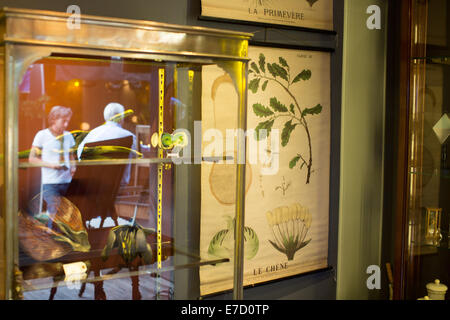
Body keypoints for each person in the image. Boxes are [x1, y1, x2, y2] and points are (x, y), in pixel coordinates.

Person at [29, 106, 76, 228]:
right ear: (54, 119)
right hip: (50, 182)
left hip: (67, 181)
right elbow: (32, 158)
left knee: (67, 214)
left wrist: (73, 167)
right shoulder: (42, 135)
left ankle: (62, 240)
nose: (66, 124)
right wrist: (52, 166)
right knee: (54, 212)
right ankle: (52, 239)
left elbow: (71, 156)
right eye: (63, 121)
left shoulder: (68, 136)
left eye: (68, 121)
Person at [77, 102, 137, 185]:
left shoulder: (92, 134)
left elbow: (80, 155)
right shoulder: (128, 136)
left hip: (91, 186)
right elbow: (140, 155)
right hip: (117, 188)